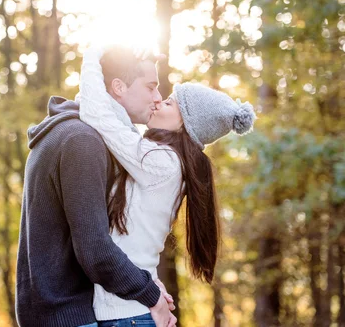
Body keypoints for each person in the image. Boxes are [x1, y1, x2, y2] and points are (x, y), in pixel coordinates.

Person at [78, 45, 256, 326]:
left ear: (186, 126)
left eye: (170, 103)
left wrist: (93, 56)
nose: (159, 101)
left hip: (126, 315)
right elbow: (118, 123)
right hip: (132, 309)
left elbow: (98, 116)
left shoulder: (162, 163)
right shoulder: (165, 160)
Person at [15, 49, 177, 326]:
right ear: (118, 88)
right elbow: (95, 250)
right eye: (150, 87)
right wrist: (151, 296)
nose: (157, 98)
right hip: (69, 316)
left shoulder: (71, 133)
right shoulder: (81, 140)